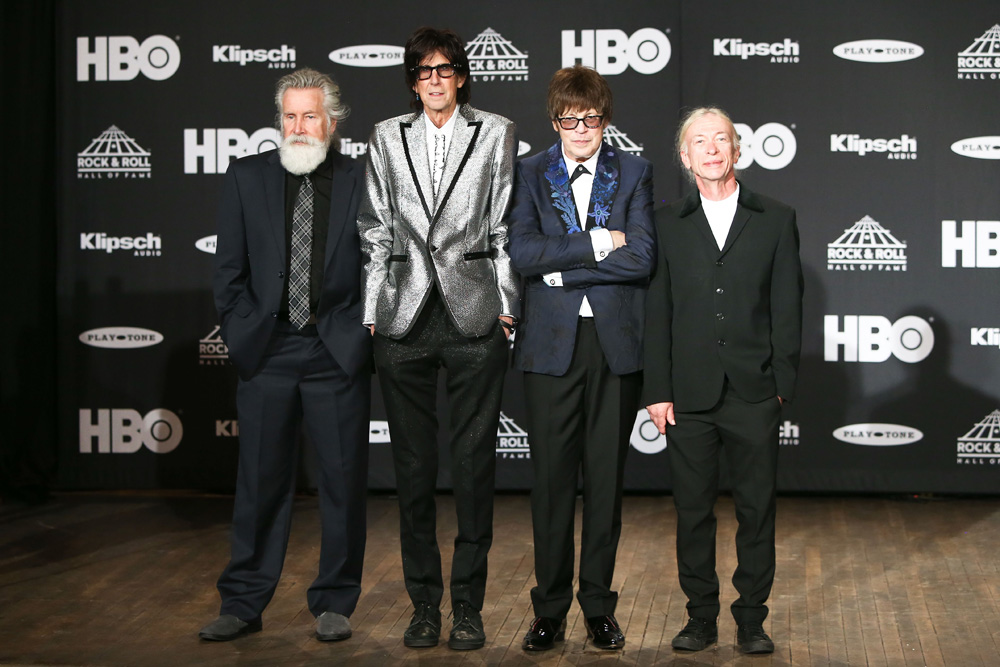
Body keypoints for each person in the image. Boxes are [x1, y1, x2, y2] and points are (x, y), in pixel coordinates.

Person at [356, 26, 517, 651]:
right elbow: (375, 227)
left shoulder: (497, 131)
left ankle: (469, 608)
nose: (433, 80)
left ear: (461, 75)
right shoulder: (386, 135)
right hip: (402, 318)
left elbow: (501, 223)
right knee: (414, 471)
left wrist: (508, 307)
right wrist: (373, 310)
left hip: (475, 314)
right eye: (422, 72)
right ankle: (425, 606)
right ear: (411, 80)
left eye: (444, 69)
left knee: (475, 470)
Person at [199, 68, 371, 643]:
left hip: (335, 350)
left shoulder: (361, 179)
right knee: (259, 482)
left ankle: (334, 600)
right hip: (268, 351)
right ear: (280, 121)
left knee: (342, 484)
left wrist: (358, 332)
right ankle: (244, 601)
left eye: (310, 116)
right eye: (290, 116)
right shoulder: (247, 176)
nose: (299, 127)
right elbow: (228, 271)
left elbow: (382, 265)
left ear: (333, 122)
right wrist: (249, 332)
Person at [644, 107, 803, 655]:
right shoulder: (665, 224)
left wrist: (780, 383)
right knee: (692, 512)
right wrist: (657, 390)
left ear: (737, 150)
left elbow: (788, 308)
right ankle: (701, 616)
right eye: (699, 142)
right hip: (688, 396)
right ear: (685, 157)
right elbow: (657, 313)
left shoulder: (776, 218)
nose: (711, 149)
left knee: (757, 511)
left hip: (755, 393)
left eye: (721, 140)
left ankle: (752, 618)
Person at [507, 65, 655, 651]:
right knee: (550, 486)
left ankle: (598, 607)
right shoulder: (529, 172)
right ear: (555, 121)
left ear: (605, 119)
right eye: (568, 120)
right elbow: (522, 251)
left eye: (590, 118)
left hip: (614, 346)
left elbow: (641, 255)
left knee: (605, 485)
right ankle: (548, 610)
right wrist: (598, 243)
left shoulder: (636, 171)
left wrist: (561, 266)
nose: (579, 128)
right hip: (549, 348)